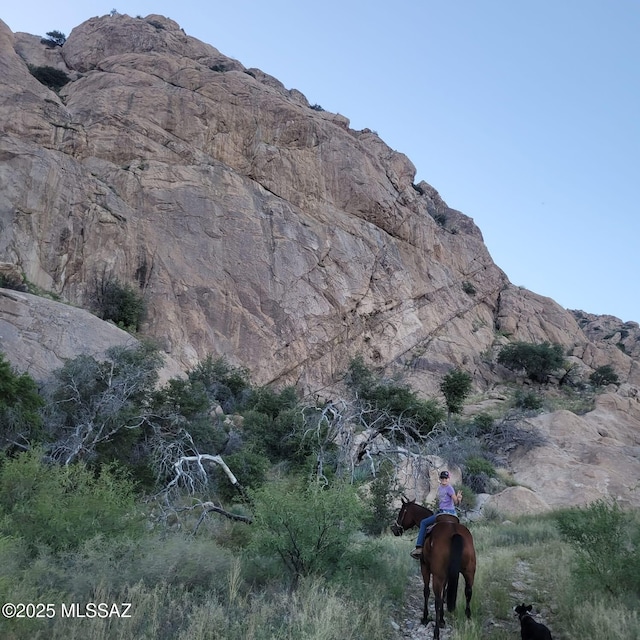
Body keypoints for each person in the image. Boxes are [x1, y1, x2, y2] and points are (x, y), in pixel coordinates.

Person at [410, 470, 462, 559]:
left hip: (445, 512)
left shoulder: (449, 488)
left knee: (423, 522)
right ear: (440, 479)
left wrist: (459, 499)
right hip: (442, 511)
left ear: (449, 479)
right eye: (442, 478)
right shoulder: (440, 488)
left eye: (446, 478)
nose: (444, 479)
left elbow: (455, 501)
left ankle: (419, 547)